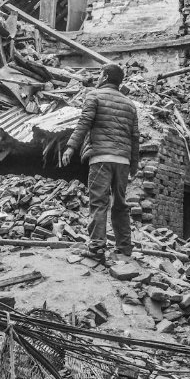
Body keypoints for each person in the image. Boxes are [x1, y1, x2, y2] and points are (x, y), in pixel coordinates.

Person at [62, 64, 139, 262]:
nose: (97, 78)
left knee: (98, 202)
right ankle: (124, 248)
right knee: (120, 204)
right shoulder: (130, 104)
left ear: (105, 77)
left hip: (101, 159)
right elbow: (135, 137)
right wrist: (134, 165)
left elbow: (84, 122)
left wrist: (71, 147)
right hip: (123, 161)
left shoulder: (94, 96)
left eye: (99, 75)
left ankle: (97, 247)